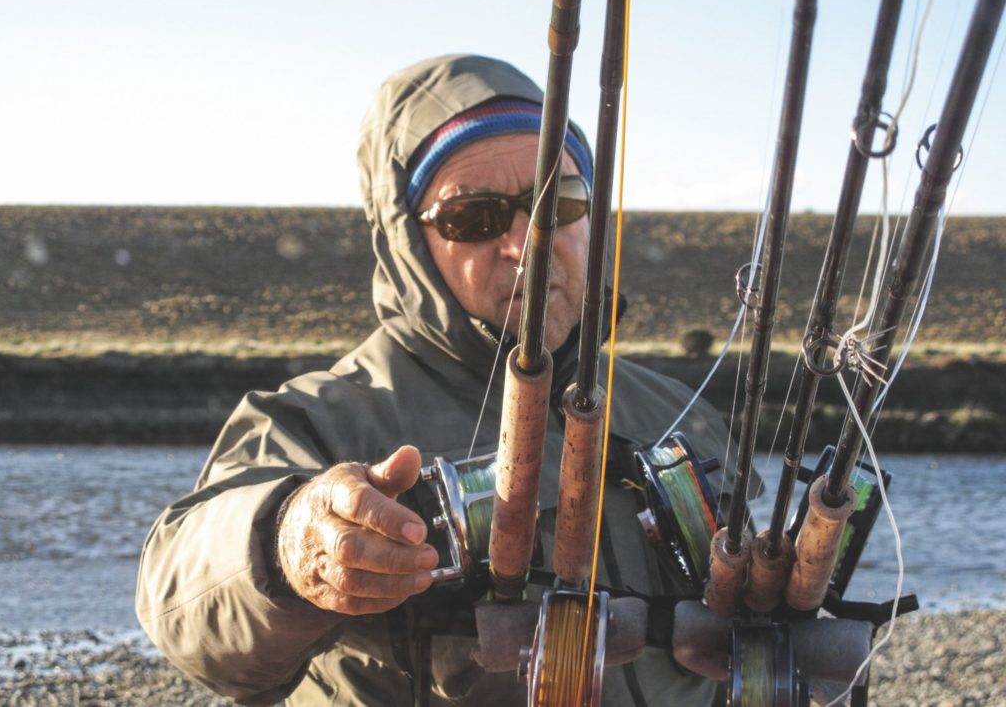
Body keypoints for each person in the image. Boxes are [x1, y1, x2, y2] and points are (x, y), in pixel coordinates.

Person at [136, 53, 746, 706]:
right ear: (407, 242)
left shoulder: (677, 410)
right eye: (474, 218)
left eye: (560, 202)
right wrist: (290, 543)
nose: (528, 243)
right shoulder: (323, 419)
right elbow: (183, 602)